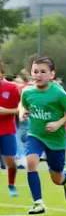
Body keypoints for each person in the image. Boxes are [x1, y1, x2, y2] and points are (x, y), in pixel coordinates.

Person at [20, 56, 66, 215]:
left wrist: (58, 123)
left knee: (56, 178)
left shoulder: (58, 93)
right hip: (36, 134)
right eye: (35, 71)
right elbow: (24, 105)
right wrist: (23, 112)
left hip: (56, 139)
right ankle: (38, 203)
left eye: (43, 72)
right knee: (31, 162)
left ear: (52, 74)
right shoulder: (27, 92)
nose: (38, 75)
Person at [0, 63, 21, 196]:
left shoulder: (12, 88)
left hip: (7, 130)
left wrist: (5, 111)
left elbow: (21, 109)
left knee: (11, 162)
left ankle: (11, 185)